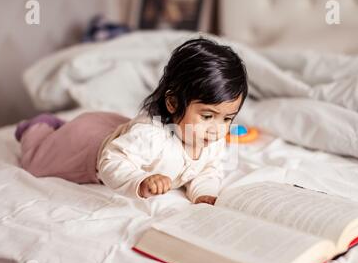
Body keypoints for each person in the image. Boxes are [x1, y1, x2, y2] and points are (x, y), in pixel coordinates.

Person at [15, 37, 248, 205]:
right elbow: (111, 160)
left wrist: (203, 194)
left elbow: (208, 170)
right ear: (173, 104)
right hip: (89, 148)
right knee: (36, 161)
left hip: (116, 131)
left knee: (120, 136)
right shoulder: (150, 136)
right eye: (207, 116)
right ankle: (38, 126)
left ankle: (60, 127)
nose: (217, 129)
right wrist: (140, 180)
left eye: (227, 118)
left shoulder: (211, 139)